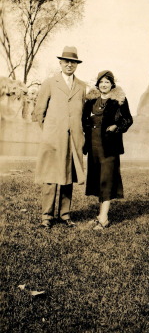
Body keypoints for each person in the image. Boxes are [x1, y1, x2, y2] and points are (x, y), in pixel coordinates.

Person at [33, 46, 86, 229]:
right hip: (53, 139)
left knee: (68, 177)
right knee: (50, 177)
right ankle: (46, 216)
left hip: (73, 140)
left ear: (76, 65)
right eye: (66, 61)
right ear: (60, 63)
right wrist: (49, 132)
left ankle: (65, 215)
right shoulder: (50, 83)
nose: (69, 65)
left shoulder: (81, 86)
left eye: (73, 62)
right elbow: (39, 113)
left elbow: (82, 113)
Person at [82, 70, 133, 229]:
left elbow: (128, 119)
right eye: (101, 82)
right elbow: (83, 120)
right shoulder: (90, 101)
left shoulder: (119, 101)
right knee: (98, 180)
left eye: (107, 82)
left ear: (112, 84)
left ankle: (104, 218)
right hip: (94, 147)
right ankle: (99, 215)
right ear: (97, 84)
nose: (104, 85)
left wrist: (116, 126)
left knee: (107, 179)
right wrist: (88, 127)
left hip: (109, 147)